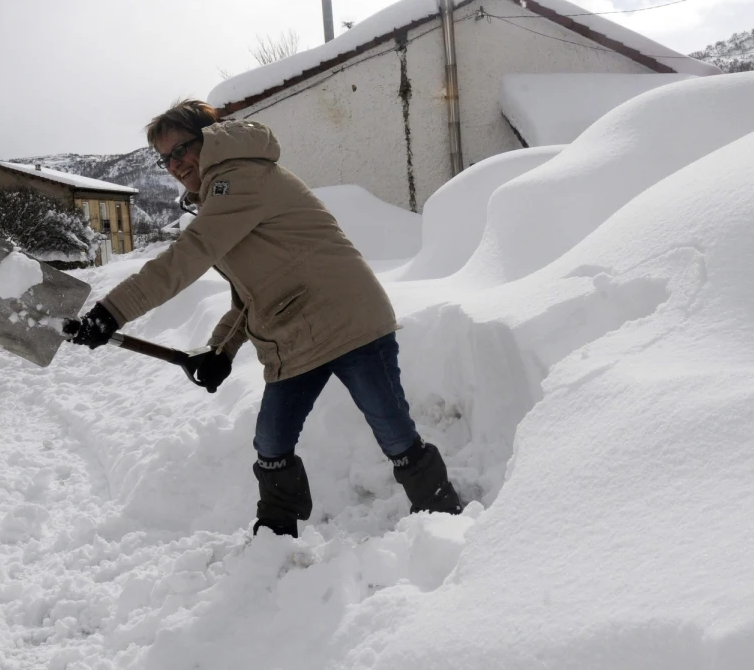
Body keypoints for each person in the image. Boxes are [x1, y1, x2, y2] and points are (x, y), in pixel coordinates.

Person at [66, 100, 462, 537]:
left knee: (393, 430)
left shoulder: (239, 178)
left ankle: (441, 513)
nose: (176, 164)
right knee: (271, 441)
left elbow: (186, 258)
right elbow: (246, 296)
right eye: (166, 158)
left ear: (209, 138)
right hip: (296, 335)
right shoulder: (223, 193)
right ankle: (276, 530)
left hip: (350, 322)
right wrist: (220, 350)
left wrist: (111, 312)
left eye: (182, 149)